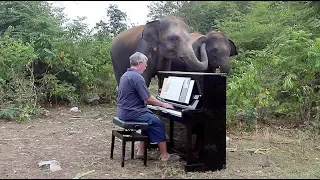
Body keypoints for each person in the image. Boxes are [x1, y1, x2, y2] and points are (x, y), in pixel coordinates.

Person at [116, 51, 180, 162]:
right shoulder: (137, 77)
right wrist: (163, 104)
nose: (146, 66)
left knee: (148, 120)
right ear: (140, 63)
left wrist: (157, 102)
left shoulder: (126, 75)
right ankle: (165, 156)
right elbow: (148, 99)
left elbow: (144, 97)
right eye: (145, 63)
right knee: (156, 122)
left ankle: (141, 151)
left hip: (124, 111)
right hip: (132, 112)